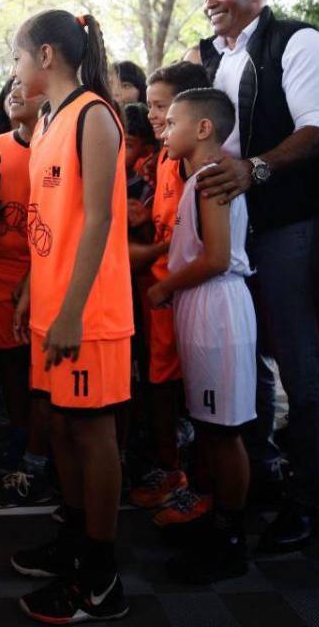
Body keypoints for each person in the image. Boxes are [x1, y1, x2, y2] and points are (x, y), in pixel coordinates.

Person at [181, 0, 319, 551]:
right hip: (241, 234)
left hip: (289, 226)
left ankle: (308, 499)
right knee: (246, 365)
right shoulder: (217, 59)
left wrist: (256, 170)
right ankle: (264, 478)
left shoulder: (300, 43)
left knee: (298, 364)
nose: (212, 0)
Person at [10, 10, 132, 623]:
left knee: (91, 432)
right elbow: (50, 221)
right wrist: (35, 285)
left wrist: (72, 310)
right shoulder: (49, 119)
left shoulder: (94, 115)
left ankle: (102, 576)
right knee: (60, 429)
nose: (16, 68)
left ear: (48, 55)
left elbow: (101, 220)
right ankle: (77, 540)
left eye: (18, 56)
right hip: (54, 305)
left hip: (89, 311)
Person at [148, 88, 256, 583]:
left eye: (172, 122)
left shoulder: (213, 177)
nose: (164, 130)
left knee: (222, 431)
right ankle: (219, 523)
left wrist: (165, 286)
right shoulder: (198, 178)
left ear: (205, 128)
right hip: (202, 306)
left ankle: (231, 539)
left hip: (216, 308)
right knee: (212, 427)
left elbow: (214, 258)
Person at [128, 62, 212, 529]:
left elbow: (195, 242)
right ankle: (172, 471)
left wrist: (153, 251)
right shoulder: (162, 160)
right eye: (155, 105)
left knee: (183, 395)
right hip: (155, 293)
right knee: (157, 388)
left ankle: (193, 483)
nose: (154, 115)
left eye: (163, 107)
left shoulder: (195, 165)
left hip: (180, 294)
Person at [0, 82, 54, 509]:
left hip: (45, 271)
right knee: (9, 364)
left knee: (43, 372)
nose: (13, 94)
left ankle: (37, 457)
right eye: (10, 89)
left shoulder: (59, 145)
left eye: (23, 89)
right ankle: (19, 436)